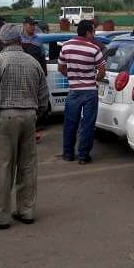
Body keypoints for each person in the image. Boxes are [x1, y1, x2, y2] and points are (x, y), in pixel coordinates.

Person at [0, 24, 49, 230]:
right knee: (27, 165)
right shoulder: (33, 62)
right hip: (29, 117)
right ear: (20, 40)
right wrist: (35, 113)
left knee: (2, 167)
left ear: (2, 41)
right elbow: (44, 97)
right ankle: (26, 211)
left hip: (5, 117)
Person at [58, 19, 106, 164]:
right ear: (88, 32)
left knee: (70, 123)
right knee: (87, 124)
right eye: (93, 31)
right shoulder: (94, 49)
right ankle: (83, 156)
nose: (93, 34)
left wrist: (72, 77)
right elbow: (102, 70)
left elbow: (61, 68)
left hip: (73, 91)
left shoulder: (66, 46)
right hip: (90, 91)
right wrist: (95, 81)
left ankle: (68, 154)